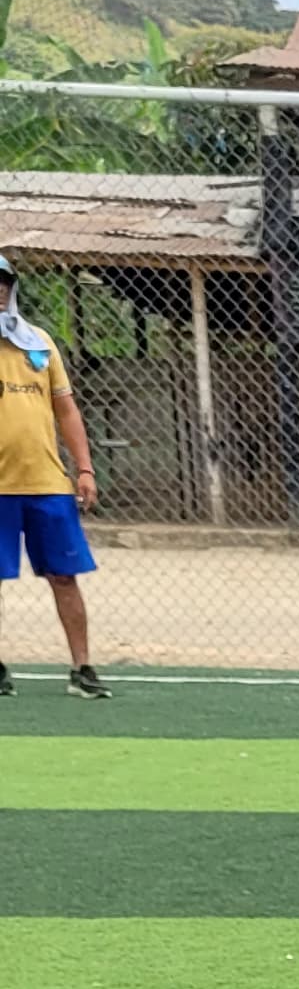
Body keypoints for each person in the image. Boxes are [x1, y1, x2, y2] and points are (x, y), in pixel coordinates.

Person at [0, 259, 108, 698]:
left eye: (3, 283)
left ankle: (82, 668)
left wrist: (84, 468)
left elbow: (66, 410)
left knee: (64, 576)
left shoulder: (39, 343)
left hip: (47, 483)